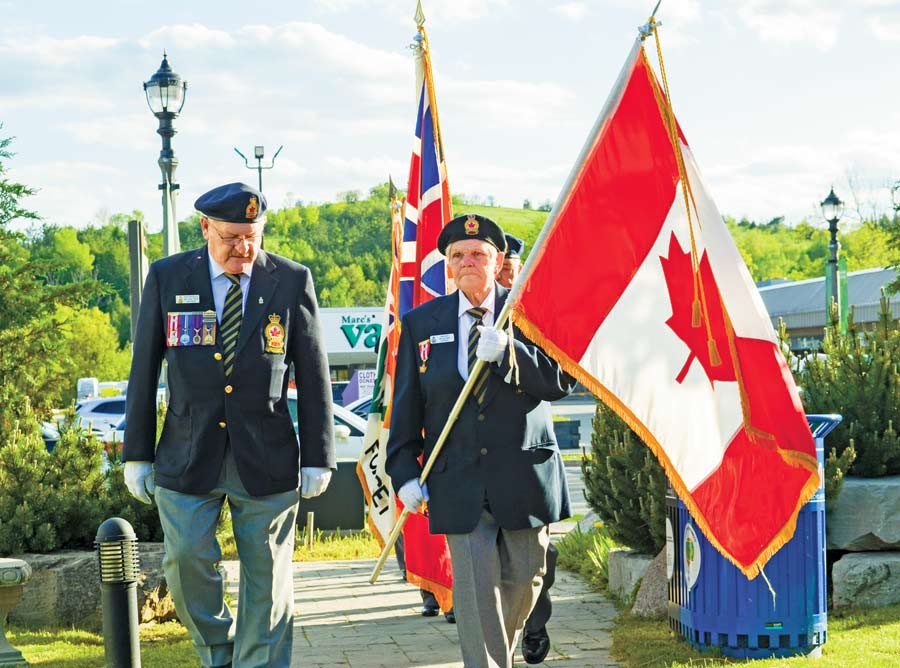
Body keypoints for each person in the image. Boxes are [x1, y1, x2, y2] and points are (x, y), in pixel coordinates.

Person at [122, 182, 335, 668]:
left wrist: (319, 456)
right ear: (205, 229)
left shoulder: (290, 279)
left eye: (252, 236)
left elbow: (314, 369)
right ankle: (219, 653)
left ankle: (259, 662)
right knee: (186, 564)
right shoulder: (168, 276)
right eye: (231, 236)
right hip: (187, 449)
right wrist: (137, 452)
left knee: (269, 577)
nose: (243, 247)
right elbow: (144, 368)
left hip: (268, 452)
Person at [386, 214, 574, 668]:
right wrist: (405, 473)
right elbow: (408, 407)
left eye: (478, 254)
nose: (467, 262)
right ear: (448, 266)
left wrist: (512, 352)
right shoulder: (420, 323)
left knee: (526, 580)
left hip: (525, 476)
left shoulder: (530, 311)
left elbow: (562, 379)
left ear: (497, 261)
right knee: (473, 595)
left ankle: (497, 652)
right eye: (458, 256)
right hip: (458, 481)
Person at [498, 233, 556, 665]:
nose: (502, 276)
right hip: (478, 470)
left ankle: (534, 626)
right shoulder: (464, 318)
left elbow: (556, 381)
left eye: (508, 269)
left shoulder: (536, 318)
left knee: (536, 564)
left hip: (527, 462)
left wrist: (510, 350)